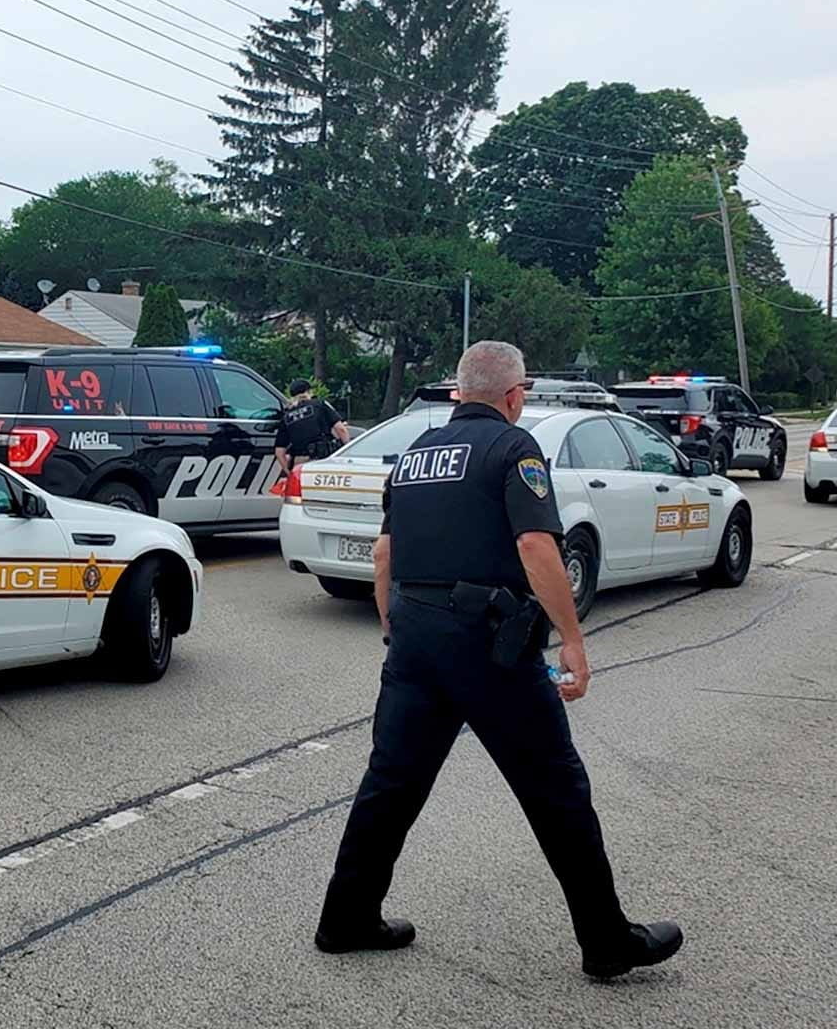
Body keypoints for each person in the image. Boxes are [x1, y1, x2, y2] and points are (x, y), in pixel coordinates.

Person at [313, 340, 683, 980]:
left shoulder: (413, 455)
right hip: (489, 648)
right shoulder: (515, 449)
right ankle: (606, 940)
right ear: (515, 395)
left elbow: (383, 556)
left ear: (459, 392)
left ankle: (346, 917)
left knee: (391, 785)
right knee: (556, 788)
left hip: (414, 642)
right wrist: (572, 636)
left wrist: (395, 630)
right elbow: (537, 544)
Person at [274, 378, 351, 474]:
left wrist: (289, 472)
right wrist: (348, 450)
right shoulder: (320, 404)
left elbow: (279, 451)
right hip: (322, 461)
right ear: (309, 391)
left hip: (300, 464)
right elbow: (341, 429)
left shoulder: (286, 416)